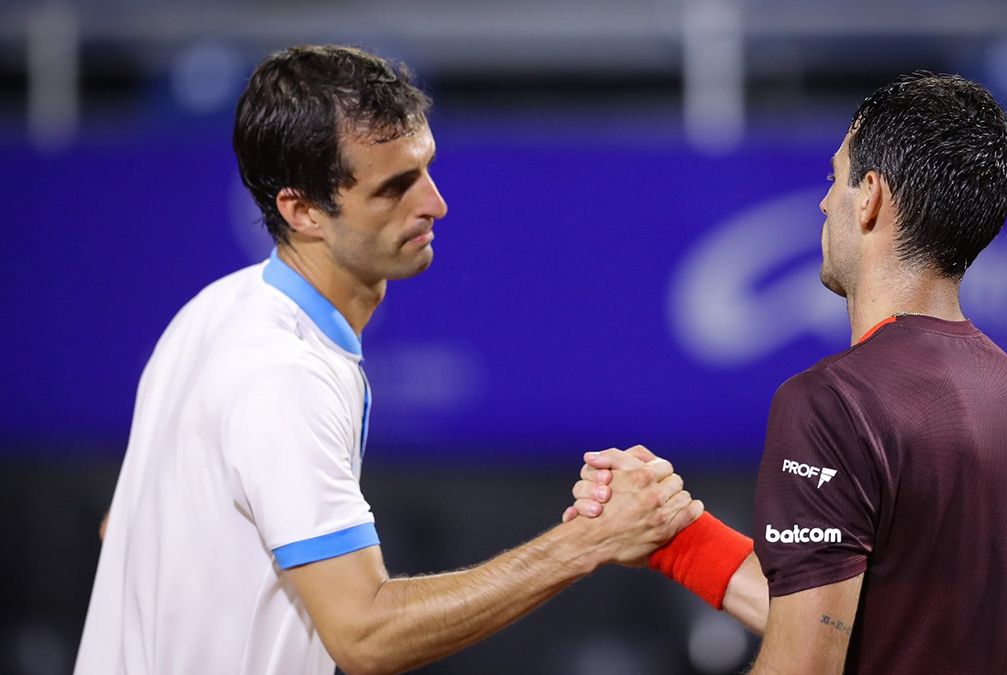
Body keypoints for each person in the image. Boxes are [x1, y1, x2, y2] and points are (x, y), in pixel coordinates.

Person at [74, 45, 704, 675]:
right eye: (393, 187)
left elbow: (123, 527)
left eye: (425, 168)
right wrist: (588, 541)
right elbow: (366, 635)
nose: (434, 204)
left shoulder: (214, 310)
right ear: (302, 210)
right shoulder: (282, 374)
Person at [568, 72, 1007, 674]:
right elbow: (884, 630)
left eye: (835, 178)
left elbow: (805, 663)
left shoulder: (834, 404)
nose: (824, 200)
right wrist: (680, 540)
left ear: (871, 198)